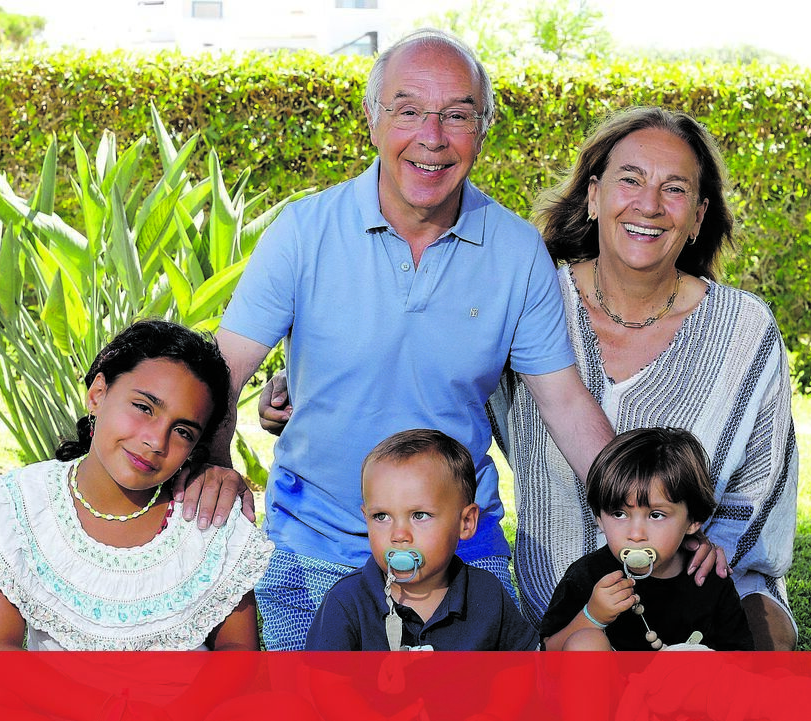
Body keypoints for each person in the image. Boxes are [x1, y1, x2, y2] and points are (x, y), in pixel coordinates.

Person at [214, 29, 613, 650]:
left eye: (457, 115)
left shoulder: (516, 251)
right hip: (313, 548)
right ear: (371, 119)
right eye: (408, 111)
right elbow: (222, 373)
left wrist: (641, 511)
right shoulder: (304, 232)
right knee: (311, 697)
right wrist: (215, 468)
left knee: (486, 697)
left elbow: (565, 403)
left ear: (483, 129)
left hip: (460, 552)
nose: (432, 136)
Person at [483, 106, 798, 650]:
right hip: (565, 596)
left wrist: (711, 546)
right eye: (630, 179)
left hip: (700, 583)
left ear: (698, 217)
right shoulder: (536, 300)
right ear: (593, 195)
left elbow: (763, 478)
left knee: (764, 645)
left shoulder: (745, 327)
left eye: (674, 189)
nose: (649, 204)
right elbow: (464, 395)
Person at [0, 320, 273, 717]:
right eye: (144, 408)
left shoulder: (206, 519)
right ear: (98, 394)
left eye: (182, 431)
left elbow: (237, 651)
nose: (156, 441)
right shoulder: (23, 506)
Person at [306, 429, 539, 651]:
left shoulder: (486, 594)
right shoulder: (346, 603)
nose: (399, 535)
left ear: (466, 522)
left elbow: (523, 668)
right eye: (381, 516)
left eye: (419, 515)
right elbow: (321, 678)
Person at [541, 427, 753, 651]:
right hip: (607, 674)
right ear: (600, 519)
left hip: (688, 675)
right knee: (585, 643)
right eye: (619, 514)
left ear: (693, 520)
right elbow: (546, 654)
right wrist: (592, 616)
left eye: (656, 515)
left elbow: (741, 658)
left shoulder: (707, 578)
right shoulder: (589, 575)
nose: (635, 534)